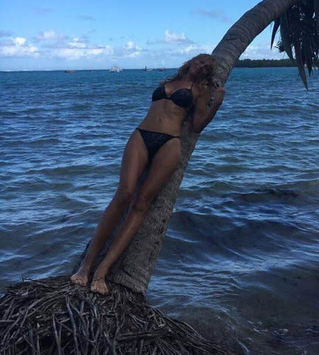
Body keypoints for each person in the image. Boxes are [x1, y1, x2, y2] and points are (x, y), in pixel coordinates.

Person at [70, 54, 225, 295]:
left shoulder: (201, 90)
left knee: (141, 204)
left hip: (170, 143)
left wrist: (216, 104)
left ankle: (102, 271)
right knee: (124, 194)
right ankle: (85, 266)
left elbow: (197, 125)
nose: (203, 64)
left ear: (208, 72)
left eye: (208, 65)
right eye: (202, 60)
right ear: (193, 60)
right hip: (141, 135)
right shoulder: (170, 80)